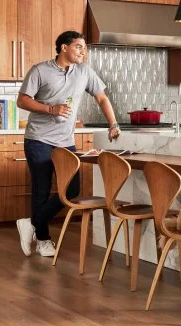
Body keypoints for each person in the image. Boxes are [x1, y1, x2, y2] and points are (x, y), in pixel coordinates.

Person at [15, 30, 120, 258]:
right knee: (41, 190)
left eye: (84, 47)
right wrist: (50, 109)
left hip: (65, 141)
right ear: (64, 47)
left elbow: (101, 97)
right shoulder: (40, 70)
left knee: (71, 190)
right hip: (38, 139)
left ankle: (30, 222)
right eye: (78, 46)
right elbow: (22, 100)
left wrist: (113, 123)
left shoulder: (84, 72)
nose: (83, 51)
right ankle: (43, 240)